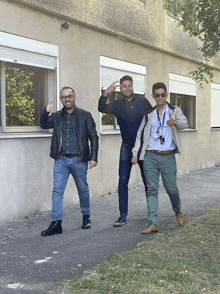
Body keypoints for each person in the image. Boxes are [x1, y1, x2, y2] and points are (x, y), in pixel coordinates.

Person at [40, 86, 99, 236]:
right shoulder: (57, 116)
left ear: (74, 97)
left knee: (83, 190)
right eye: (64, 97)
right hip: (61, 160)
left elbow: (94, 137)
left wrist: (93, 158)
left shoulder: (85, 115)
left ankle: (86, 217)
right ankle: (56, 223)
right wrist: (46, 112)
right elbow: (44, 125)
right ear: (61, 99)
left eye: (69, 96)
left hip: (79, 159)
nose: (67, 99)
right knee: (57, 191)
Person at [132, 82, 188, 234]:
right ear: (153, 96)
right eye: (157, 95)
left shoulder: (174, 110)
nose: (160, 98)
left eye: (163, 95)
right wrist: (135, 153)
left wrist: (175, 123)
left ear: (166, 95)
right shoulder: (149, 114)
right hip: (150, 156)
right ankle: (153, 222)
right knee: (151, 189)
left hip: (167, 156)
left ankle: (177, 210)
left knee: (171, 188)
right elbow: (140, 134)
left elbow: (185, 123)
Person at [98, 75, 153, 226]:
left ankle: (152, 213)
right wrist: (105, 94)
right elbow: (101, 108)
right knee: (122, 180)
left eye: (129, 85)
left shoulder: (142, 101)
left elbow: (153, 118)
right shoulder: (117, 104)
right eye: (124, 86)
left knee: (147, 180)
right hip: (127, 146)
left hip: (143, 147)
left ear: (133, 86)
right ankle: (123, 215)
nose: (127, 88)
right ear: (120, 88)